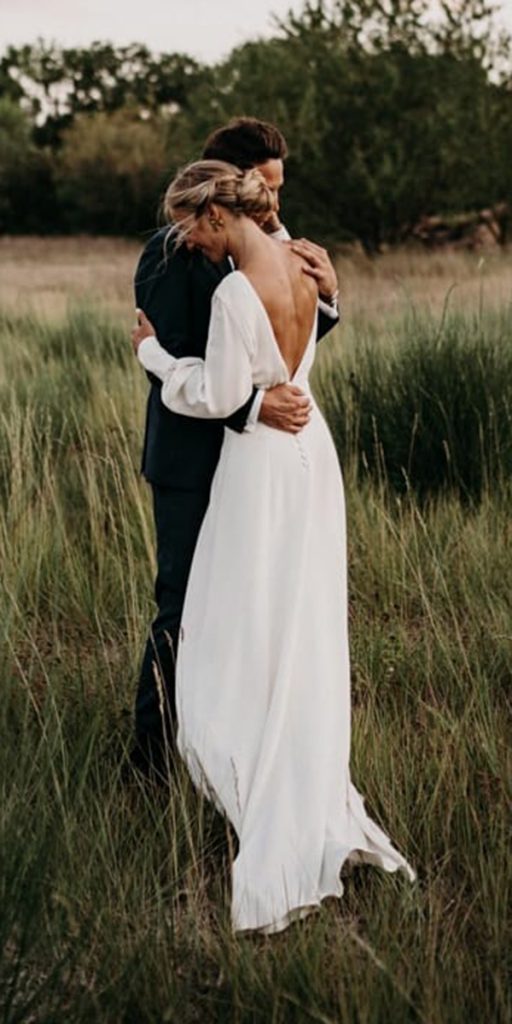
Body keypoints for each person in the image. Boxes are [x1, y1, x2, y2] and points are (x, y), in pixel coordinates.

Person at [131, 160, 416, 935]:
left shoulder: (231, 290)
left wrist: (155, 358)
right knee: (301, 616)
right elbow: (300, 351)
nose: (186, 241)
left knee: (234, 623)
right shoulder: (303, 263)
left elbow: (219, 395)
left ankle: (252, 773)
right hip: (308, 453)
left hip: (258, 464)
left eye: (192, 226)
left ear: (218, 218)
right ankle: (303, 771)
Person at [132, 118, 340, 781]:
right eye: (265, 185)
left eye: (275, 187)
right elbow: (171, 362)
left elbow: (283, 338)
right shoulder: (167, 253)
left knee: (250, 608)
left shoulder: (270, 242)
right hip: (193, 464)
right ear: (226, 183)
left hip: (259, 468)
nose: (274, 202)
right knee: (183, 607)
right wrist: (254, 405)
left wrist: (330, 298)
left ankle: (231, 754)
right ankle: (153, 761)